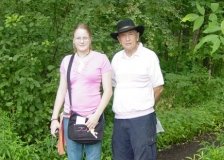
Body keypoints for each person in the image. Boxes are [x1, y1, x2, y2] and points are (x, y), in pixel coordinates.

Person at [50, 24, 112, 160]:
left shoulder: (101, 59)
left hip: (93, 119)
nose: (82, 41)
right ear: (73, 40)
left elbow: (108, 91)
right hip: (70, 118)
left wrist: (96, 115)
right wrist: (54, 118)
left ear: (90, 39)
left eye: (85, 37)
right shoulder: (67, 61)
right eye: (78, 38)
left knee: (93, 158)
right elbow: (61, 90)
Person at [110, 18, 164, 160]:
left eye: (131, 34)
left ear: (137, 36)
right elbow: (113, 85)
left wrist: (146, 106)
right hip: (120, 120)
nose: (127, 39)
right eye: (123, 35)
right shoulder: (116, 59)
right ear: (119, 39)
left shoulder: (149, 56)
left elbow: (158, 87)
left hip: (142, 119)